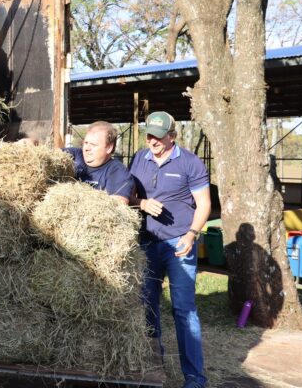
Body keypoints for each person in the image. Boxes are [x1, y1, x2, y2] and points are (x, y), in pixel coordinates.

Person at [129, 111, 211, 388]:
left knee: (184, 310)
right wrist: (141, 204)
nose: (152, 140)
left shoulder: (190, 162)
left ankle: (194, 378)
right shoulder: (139, 158)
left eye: (158, 136)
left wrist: (191, 234)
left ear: (172, 136)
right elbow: (129, 194)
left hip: (179, 243)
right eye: (149, 134)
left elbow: (204, 204)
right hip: (147, 243)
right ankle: (153, 368)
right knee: (146, 307)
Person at [64, 121, 134, 203]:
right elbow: (50, 156)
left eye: (93, 145)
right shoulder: (75, 155)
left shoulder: (117, 171)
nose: (86, 148)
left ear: (109, 148)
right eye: (86, 143)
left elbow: (119, 202)